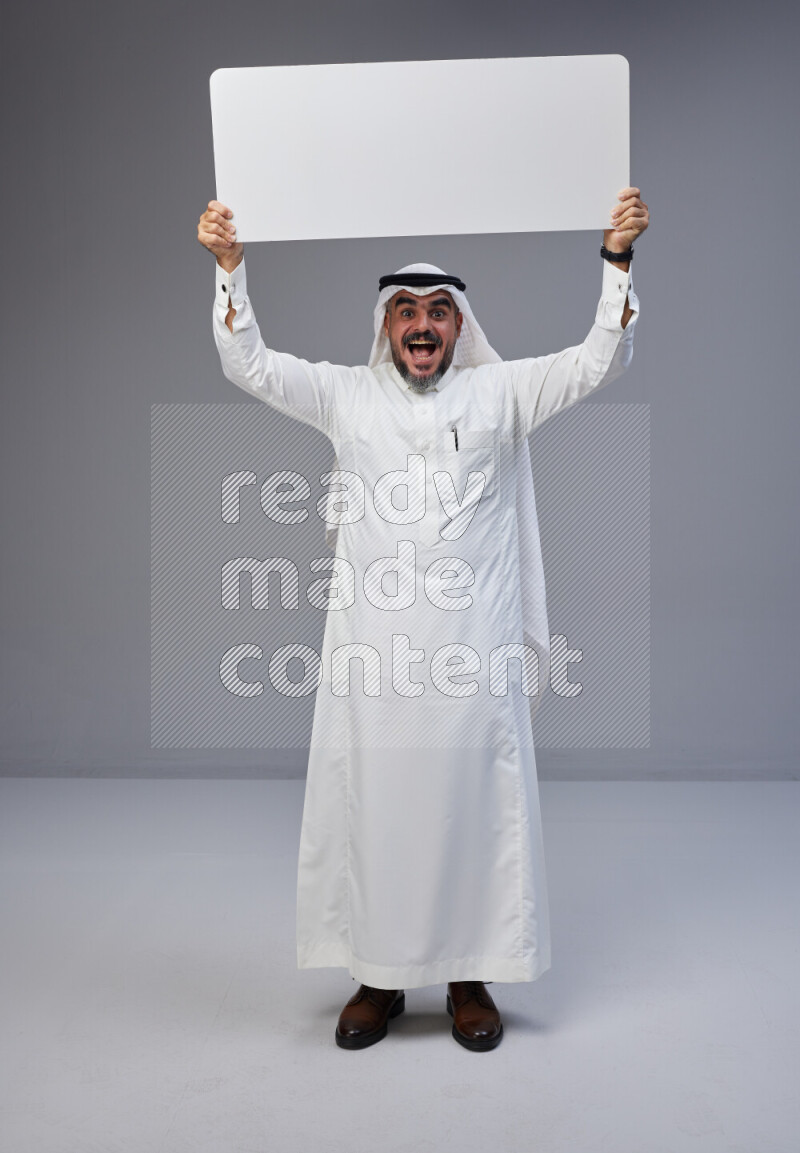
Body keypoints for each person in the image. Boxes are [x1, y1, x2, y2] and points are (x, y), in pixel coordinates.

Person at [197, 189, 649, 1052]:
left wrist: (616, 260)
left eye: (439, 311)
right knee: (376, 811)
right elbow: (250, 365)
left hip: (470, 667)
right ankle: (378, 977)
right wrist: (230, 270)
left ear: (459, 326)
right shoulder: (344, 398)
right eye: (405, 309)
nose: (421, 324)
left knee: (472, 810)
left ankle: (469, 976)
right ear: (384, 326)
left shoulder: (502, 394)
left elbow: (600, 359)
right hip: (376, 667)